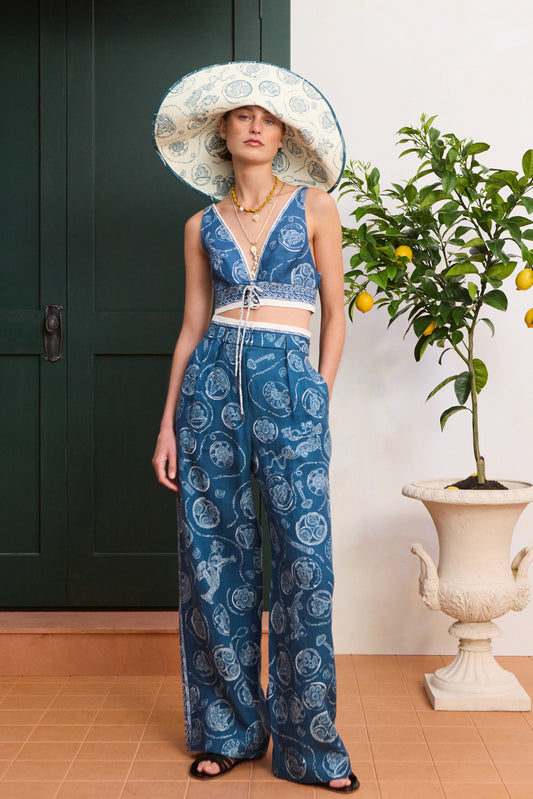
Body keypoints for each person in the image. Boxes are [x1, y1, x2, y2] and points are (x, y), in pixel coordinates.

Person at [152, 61, 358, 793]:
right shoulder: (199, 225)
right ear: (223, 131)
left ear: (283, 136)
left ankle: (311, 747)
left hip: (289, 393)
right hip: (209, 394)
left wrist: (317, 394)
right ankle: (228, 729)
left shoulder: (315, 207)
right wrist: (167, 426)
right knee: (215, 561)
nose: (255, 126)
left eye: (267, 118)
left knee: (305, 565)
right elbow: (190, 326)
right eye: (242, 115)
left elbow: (335, 312)